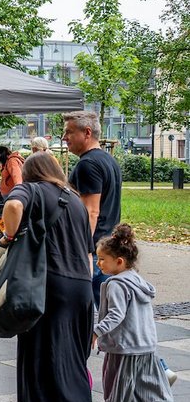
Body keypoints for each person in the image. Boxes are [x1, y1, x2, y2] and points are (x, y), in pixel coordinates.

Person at [2, 152, 104, 402]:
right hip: (81, 286)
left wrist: (9, 236)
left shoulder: (31, 189)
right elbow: (88, 252)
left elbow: (13, 205)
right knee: (72, 355)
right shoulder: (74, 199)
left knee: (39, 354)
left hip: (47, 284)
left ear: (32, 173)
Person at [92, 224, 180, 402]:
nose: (98, 263)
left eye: (102, 259)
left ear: (119, 261)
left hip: (124, 344)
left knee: (116, 382)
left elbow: (116, 315)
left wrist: (96, 331)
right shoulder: (137, 280)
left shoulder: (116, 284)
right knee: (150, 384)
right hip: (145, 343)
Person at [63, 110, 122, 307]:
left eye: (69, 132)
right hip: (107, 244)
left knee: (85, 308)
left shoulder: (88, 164)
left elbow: (91, 211)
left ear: (87, 132)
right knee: (106, 308)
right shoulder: (109, 160)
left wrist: (83, 249)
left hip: (94, 248)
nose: (64, 138)